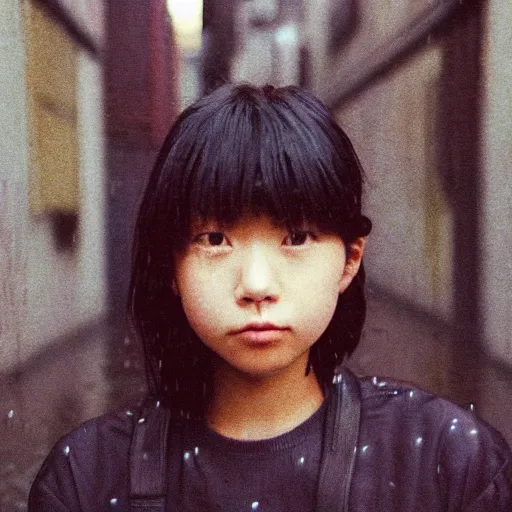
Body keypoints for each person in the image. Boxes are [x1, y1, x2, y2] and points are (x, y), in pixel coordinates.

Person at [29, 84, 511, 511]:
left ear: (349, 259)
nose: (257, 285)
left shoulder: (450, 464)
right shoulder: (84, 481)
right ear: (171, 265)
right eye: (214, 239)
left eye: (297, 237)